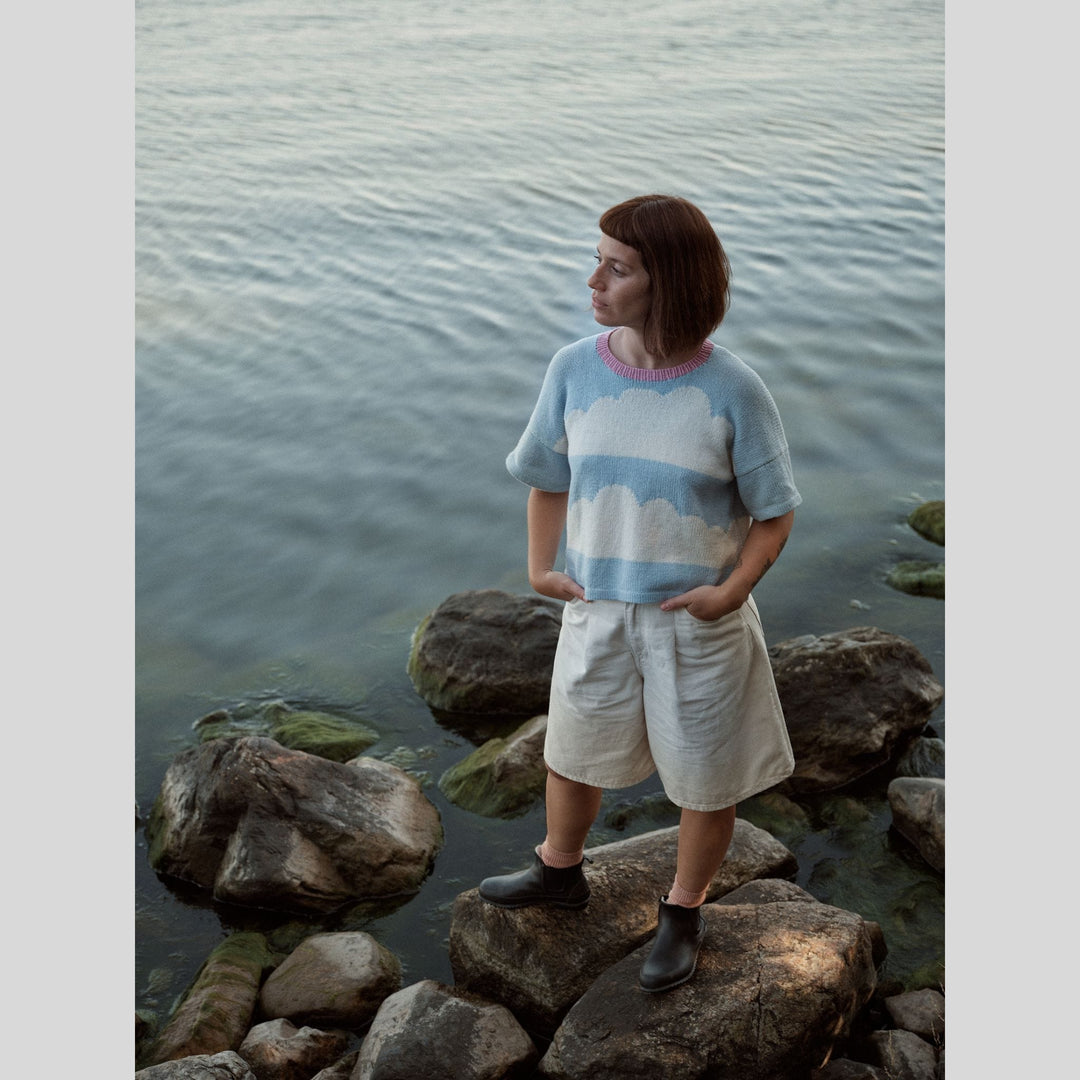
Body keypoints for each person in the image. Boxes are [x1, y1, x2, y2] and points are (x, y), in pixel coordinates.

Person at [479, 194, 800, 993]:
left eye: (616, 269)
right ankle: (560, 870)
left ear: (673, 282)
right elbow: (546, 480)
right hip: (596, 606)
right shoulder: (574, 369)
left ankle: (683, 911)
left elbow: (776, 511)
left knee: (703, 774)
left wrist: (732, 592)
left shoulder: (734, 389)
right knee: (573, 751)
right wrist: (539, 567)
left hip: (695, 619)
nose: (593, 280)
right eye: (597, 260)